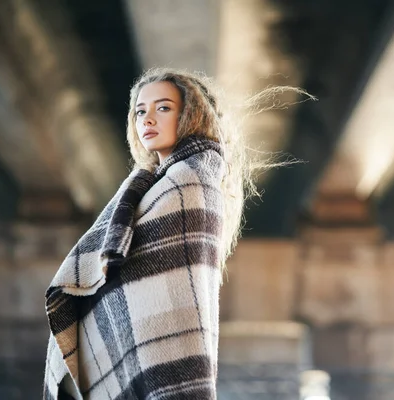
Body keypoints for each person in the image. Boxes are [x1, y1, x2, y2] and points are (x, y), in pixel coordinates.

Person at [42, 68, 258, 399]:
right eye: (140, 111)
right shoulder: (148, 184)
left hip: (168, 343)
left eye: (163, 108)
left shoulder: (192, 181)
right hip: (139, 340)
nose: (148, 119)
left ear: (190, 114)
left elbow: (175, 286)